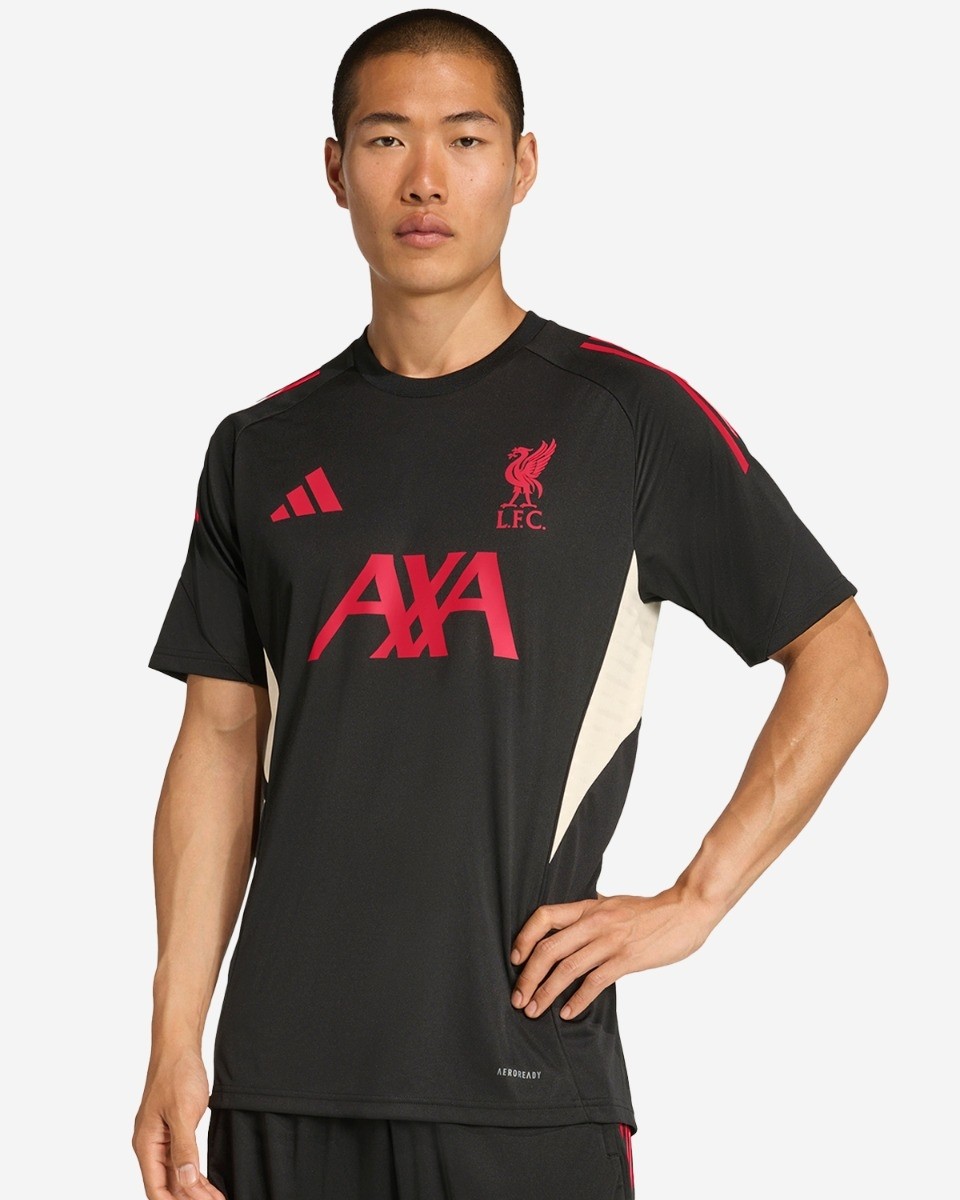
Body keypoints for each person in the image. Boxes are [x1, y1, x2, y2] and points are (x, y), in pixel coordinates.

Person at [131, 8, 888, 1199]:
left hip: (525, 1079)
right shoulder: (258, 450)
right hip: (282, 1084)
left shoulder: (625, 420)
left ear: (523, 165)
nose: (425, 179)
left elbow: (842, 659)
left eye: (467, 139)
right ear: (334, 168)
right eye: (386, 139)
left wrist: (695, 901)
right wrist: (176, 1037)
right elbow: (221, 740)